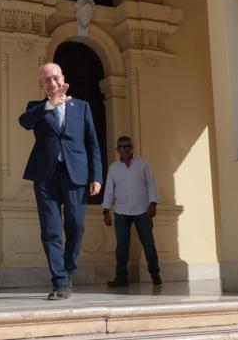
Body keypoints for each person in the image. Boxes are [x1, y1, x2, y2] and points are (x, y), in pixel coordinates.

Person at [19, 62, 102, 300]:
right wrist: (49, 105)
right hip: (45, 176)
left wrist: (96, 175)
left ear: (63, 78)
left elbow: (92, 143)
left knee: (76, 226)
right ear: (41, 84)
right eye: (46, 80)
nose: (52, 83)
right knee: (51, 230)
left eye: (55, 78)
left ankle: (68, 269)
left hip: (76, 174)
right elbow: (24, 122)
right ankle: (60, 281)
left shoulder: (82, 107)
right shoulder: (36, 107)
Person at [102, 136, 162, 287]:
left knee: (148, 243)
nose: (125, 149)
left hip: (142, 210)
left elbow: (151, 184)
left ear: (132, 148)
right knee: (122, 246)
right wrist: (106, 210)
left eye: (128, 146)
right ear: (117, 150)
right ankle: (121, 277)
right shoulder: (113, 168)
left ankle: (155, 273)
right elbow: (109, 190)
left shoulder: (142, 164)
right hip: (121, 211)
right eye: (121, 147)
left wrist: (153, 203)